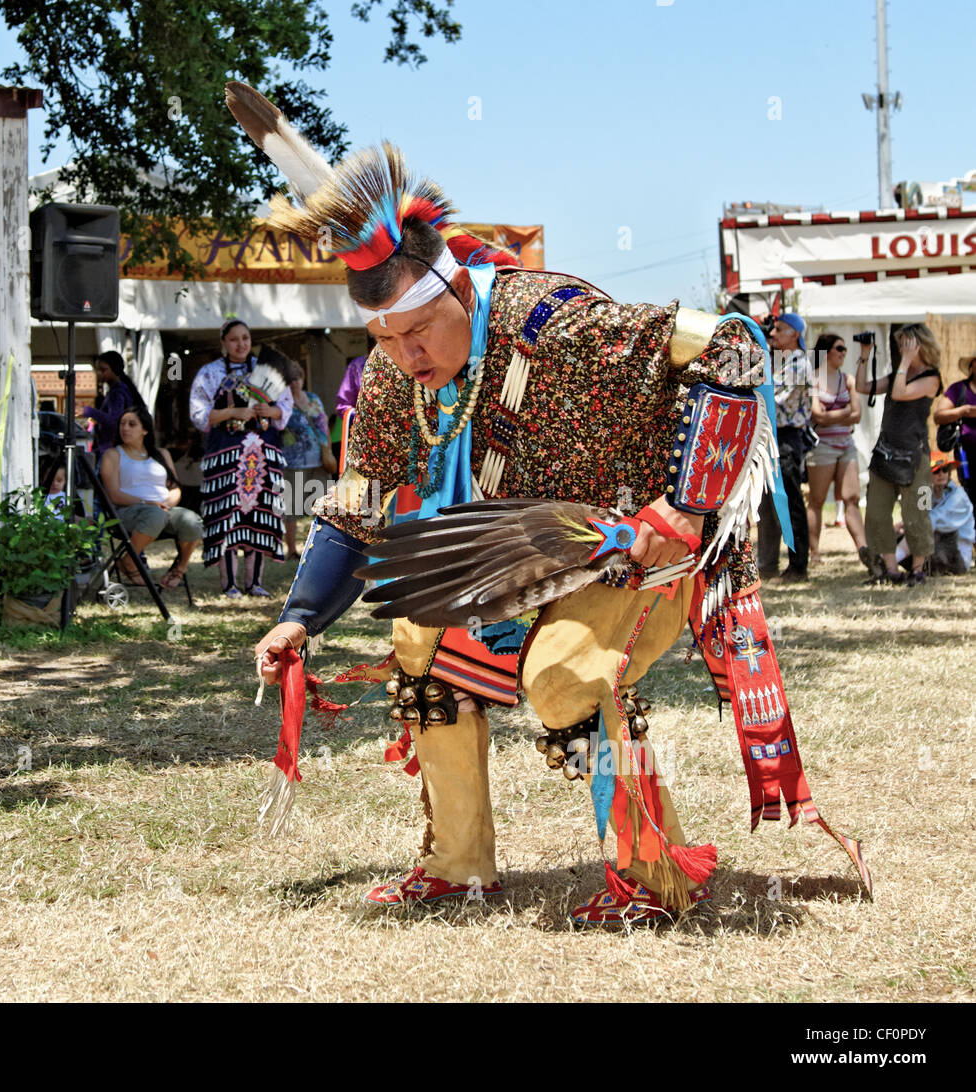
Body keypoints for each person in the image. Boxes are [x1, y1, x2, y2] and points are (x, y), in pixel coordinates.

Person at [228, 80, 868, 922]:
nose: (403, 354)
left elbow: (732, 352)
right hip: (509, 552)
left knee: (564, 677)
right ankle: (459, 868)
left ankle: (652, 877)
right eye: (383, 339)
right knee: (417, 636)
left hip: (639, 547)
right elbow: (360, 503)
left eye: (417, 330)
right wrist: (300, 616)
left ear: (458, 293)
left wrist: (685, 509)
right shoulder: (391, 378)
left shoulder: (558, 325)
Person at [188, 319, 292, 597]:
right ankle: (229, 584)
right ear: (223, 342)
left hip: (263, 456)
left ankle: (255, 582)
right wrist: (232, 413)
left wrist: (270, 412)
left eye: (245, 338)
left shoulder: (266, 369)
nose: (241, 344)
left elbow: (285, 406)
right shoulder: (209, 373)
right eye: (234, 339)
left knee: (260, 514)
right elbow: (199, 414)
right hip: (225, 458)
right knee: (226, 515)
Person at [858, 324, 942, 587]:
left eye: (906, 344)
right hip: (885, 454)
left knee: (917, 511)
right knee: (876, 512)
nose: (901, 349)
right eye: (900, 345)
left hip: (917, 458)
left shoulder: (932, 377)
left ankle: (918, 569)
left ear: (919, 345)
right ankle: (890, 570)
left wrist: (906, 361)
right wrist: (864, 355)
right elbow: (862, 386)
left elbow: (899, 393)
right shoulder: (899, 373)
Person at [101, 407, 201, 589]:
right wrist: (148, 503)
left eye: (132, 424)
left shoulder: (161, 454)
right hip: (127, 512)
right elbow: (114, 495)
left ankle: (180, 568)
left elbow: (175, 487)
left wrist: (166, 503)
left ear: (145, 430)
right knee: (155, 515)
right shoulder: (113, 455)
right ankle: (130, 562)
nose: (125, 428)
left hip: (162, 510)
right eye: (122, 424)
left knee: (193, 521)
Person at [756, 312, 813, 580]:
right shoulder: (780, 360)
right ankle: (767, 563)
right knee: (766, 504)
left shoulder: (797, 363)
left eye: (779, 329)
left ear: (795, 334)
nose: (773, 333)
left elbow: (774, 397)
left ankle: (798, 564)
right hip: (772, 436)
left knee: (788, 503)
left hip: (786, 437)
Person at [805, 333, 868, 569]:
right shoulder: (812, 380)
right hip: (822, 447)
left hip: (846, 445)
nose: (843, 353)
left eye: (844, 349)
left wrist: (830, 416)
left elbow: (858, 415)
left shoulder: (848, 379)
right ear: (826, 351)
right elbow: (816, 415)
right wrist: (845, 412)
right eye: (839, 348)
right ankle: (815, 553)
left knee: (852, 498)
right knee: (817, 500)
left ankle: (863, 549)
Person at [271, 350, 337, 559]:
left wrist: (327, 450)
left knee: (323, 505)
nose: (294, 383)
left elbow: (324, 423)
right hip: (292, 462)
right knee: (290, 509)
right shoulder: (281, 404)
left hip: (318, 460)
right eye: (289, 380)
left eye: (297, 378)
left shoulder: (313, 398)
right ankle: (291, 550)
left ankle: (322, 546)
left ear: (302, 378)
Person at [893, 451, 974, 575]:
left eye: (945, 469)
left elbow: (930, 521)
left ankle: (888, 565)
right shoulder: (926, 491)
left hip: (956, 559)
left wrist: (903, 524)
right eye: (936, 471)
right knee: (895, 535)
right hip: (934, 551)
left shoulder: (959, 496)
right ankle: (887, 563)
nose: (941, 474)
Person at [80, 350, 144, 468]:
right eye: (97, 370)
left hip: (112, 448)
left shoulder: (118, 392)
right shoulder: (116, 390)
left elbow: (114, 420)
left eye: (103, 370)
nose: (99, 373)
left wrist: (90, 412)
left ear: (115, 370)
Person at [934, 353, 976, 510]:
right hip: (966, 454)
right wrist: (963, 411)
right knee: (970, 494)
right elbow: (938, 416)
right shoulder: (959, 389)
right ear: (972, 366)